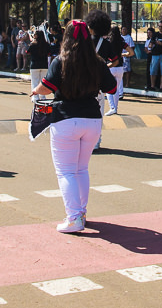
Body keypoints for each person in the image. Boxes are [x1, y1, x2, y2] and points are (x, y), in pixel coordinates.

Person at [28, 19, 117, 233]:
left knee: (66, 172)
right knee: (81, 169)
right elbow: (112, 89)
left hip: (66, 119)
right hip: (92, 120)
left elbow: (47, 87)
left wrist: (35, 90)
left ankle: (74, 217)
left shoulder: (61, 60)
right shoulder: (97, 62)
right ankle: (81, 213)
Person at [104, 26, 133, 116]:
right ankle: (115, 108)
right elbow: (131, 52)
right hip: (120, 67)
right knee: (116, 89)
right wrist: (123, 54)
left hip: (111, 66)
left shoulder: (108, 42)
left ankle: (112, 107)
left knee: (109, 89)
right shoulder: (121, 42)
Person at [27, 28, 53, 96]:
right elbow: (49, 53)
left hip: (34, 65)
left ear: (36, 36)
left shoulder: (33, 44)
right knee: (43, 83)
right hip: (44, 65)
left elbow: (27, 52)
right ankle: (42, 96)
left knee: (34, 82)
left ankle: (35, 97)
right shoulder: (46, 44)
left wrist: (31, 43)